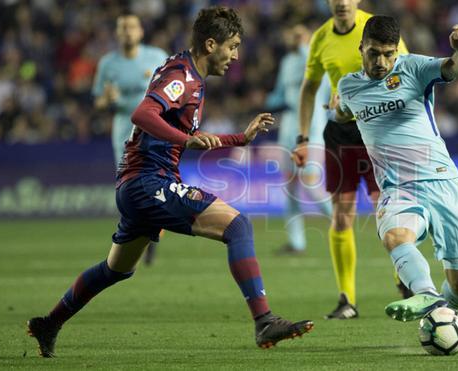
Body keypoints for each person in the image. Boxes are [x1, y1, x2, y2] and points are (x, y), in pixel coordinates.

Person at [27, 6, 313, 358]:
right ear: (211, 44)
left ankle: (48, 323)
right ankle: (264, 320)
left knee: (116, 269)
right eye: (233, 46)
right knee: (238, 227)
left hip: (138, 186)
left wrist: (241, 138)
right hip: (150, 181)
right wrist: (186, 140)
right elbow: (143, 114)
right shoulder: (183, 75)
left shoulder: (187, 73)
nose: (236, 56)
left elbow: (193, 136)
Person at [335, 16, 458, 322]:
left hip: (441, 181)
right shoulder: (348, 86)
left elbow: (457, 68)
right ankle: (425, 292)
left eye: (389, 54)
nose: (381, 61)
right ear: (361, 47)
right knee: (395, 237)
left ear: (397, 51)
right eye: (374, 53)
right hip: (398, 188)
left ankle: (442, 310)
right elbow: (342, 111)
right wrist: (335, 110)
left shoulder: (414, 68)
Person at [292, 0, 408, 319]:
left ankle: (405, 279)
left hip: (377, 133)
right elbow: (309, 87)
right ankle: (347, 299)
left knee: (386, 211)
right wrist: (303, 137)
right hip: (340, 136)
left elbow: (406, 77)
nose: (342, 2)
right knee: (341, 217)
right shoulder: (320, 38)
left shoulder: (377, 29)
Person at [92, 12, 168, 265]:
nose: (127, 32)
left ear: (140, 31)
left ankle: (150, 235)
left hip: (155, 130)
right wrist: (108, 100)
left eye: (131, 27)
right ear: (117, 33)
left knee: (156, 185)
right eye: (122, 27)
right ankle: (141, 237)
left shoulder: (157, 57)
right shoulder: (108, 64)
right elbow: (99, 101)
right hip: (124, 131)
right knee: (129, 190)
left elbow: (173, 91)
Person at [265, 24, 332, 255]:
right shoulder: (286, 62)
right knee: (290, 185)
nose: (295, 39)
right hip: (289, 129)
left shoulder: (318, 61)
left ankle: (340, 223)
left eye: (301, 35)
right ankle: (296, 242)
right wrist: (267, 102)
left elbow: (319, 87)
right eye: (294, 35)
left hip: (312, 129)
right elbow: (280, 94)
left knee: (311, 184)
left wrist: (305, 46)